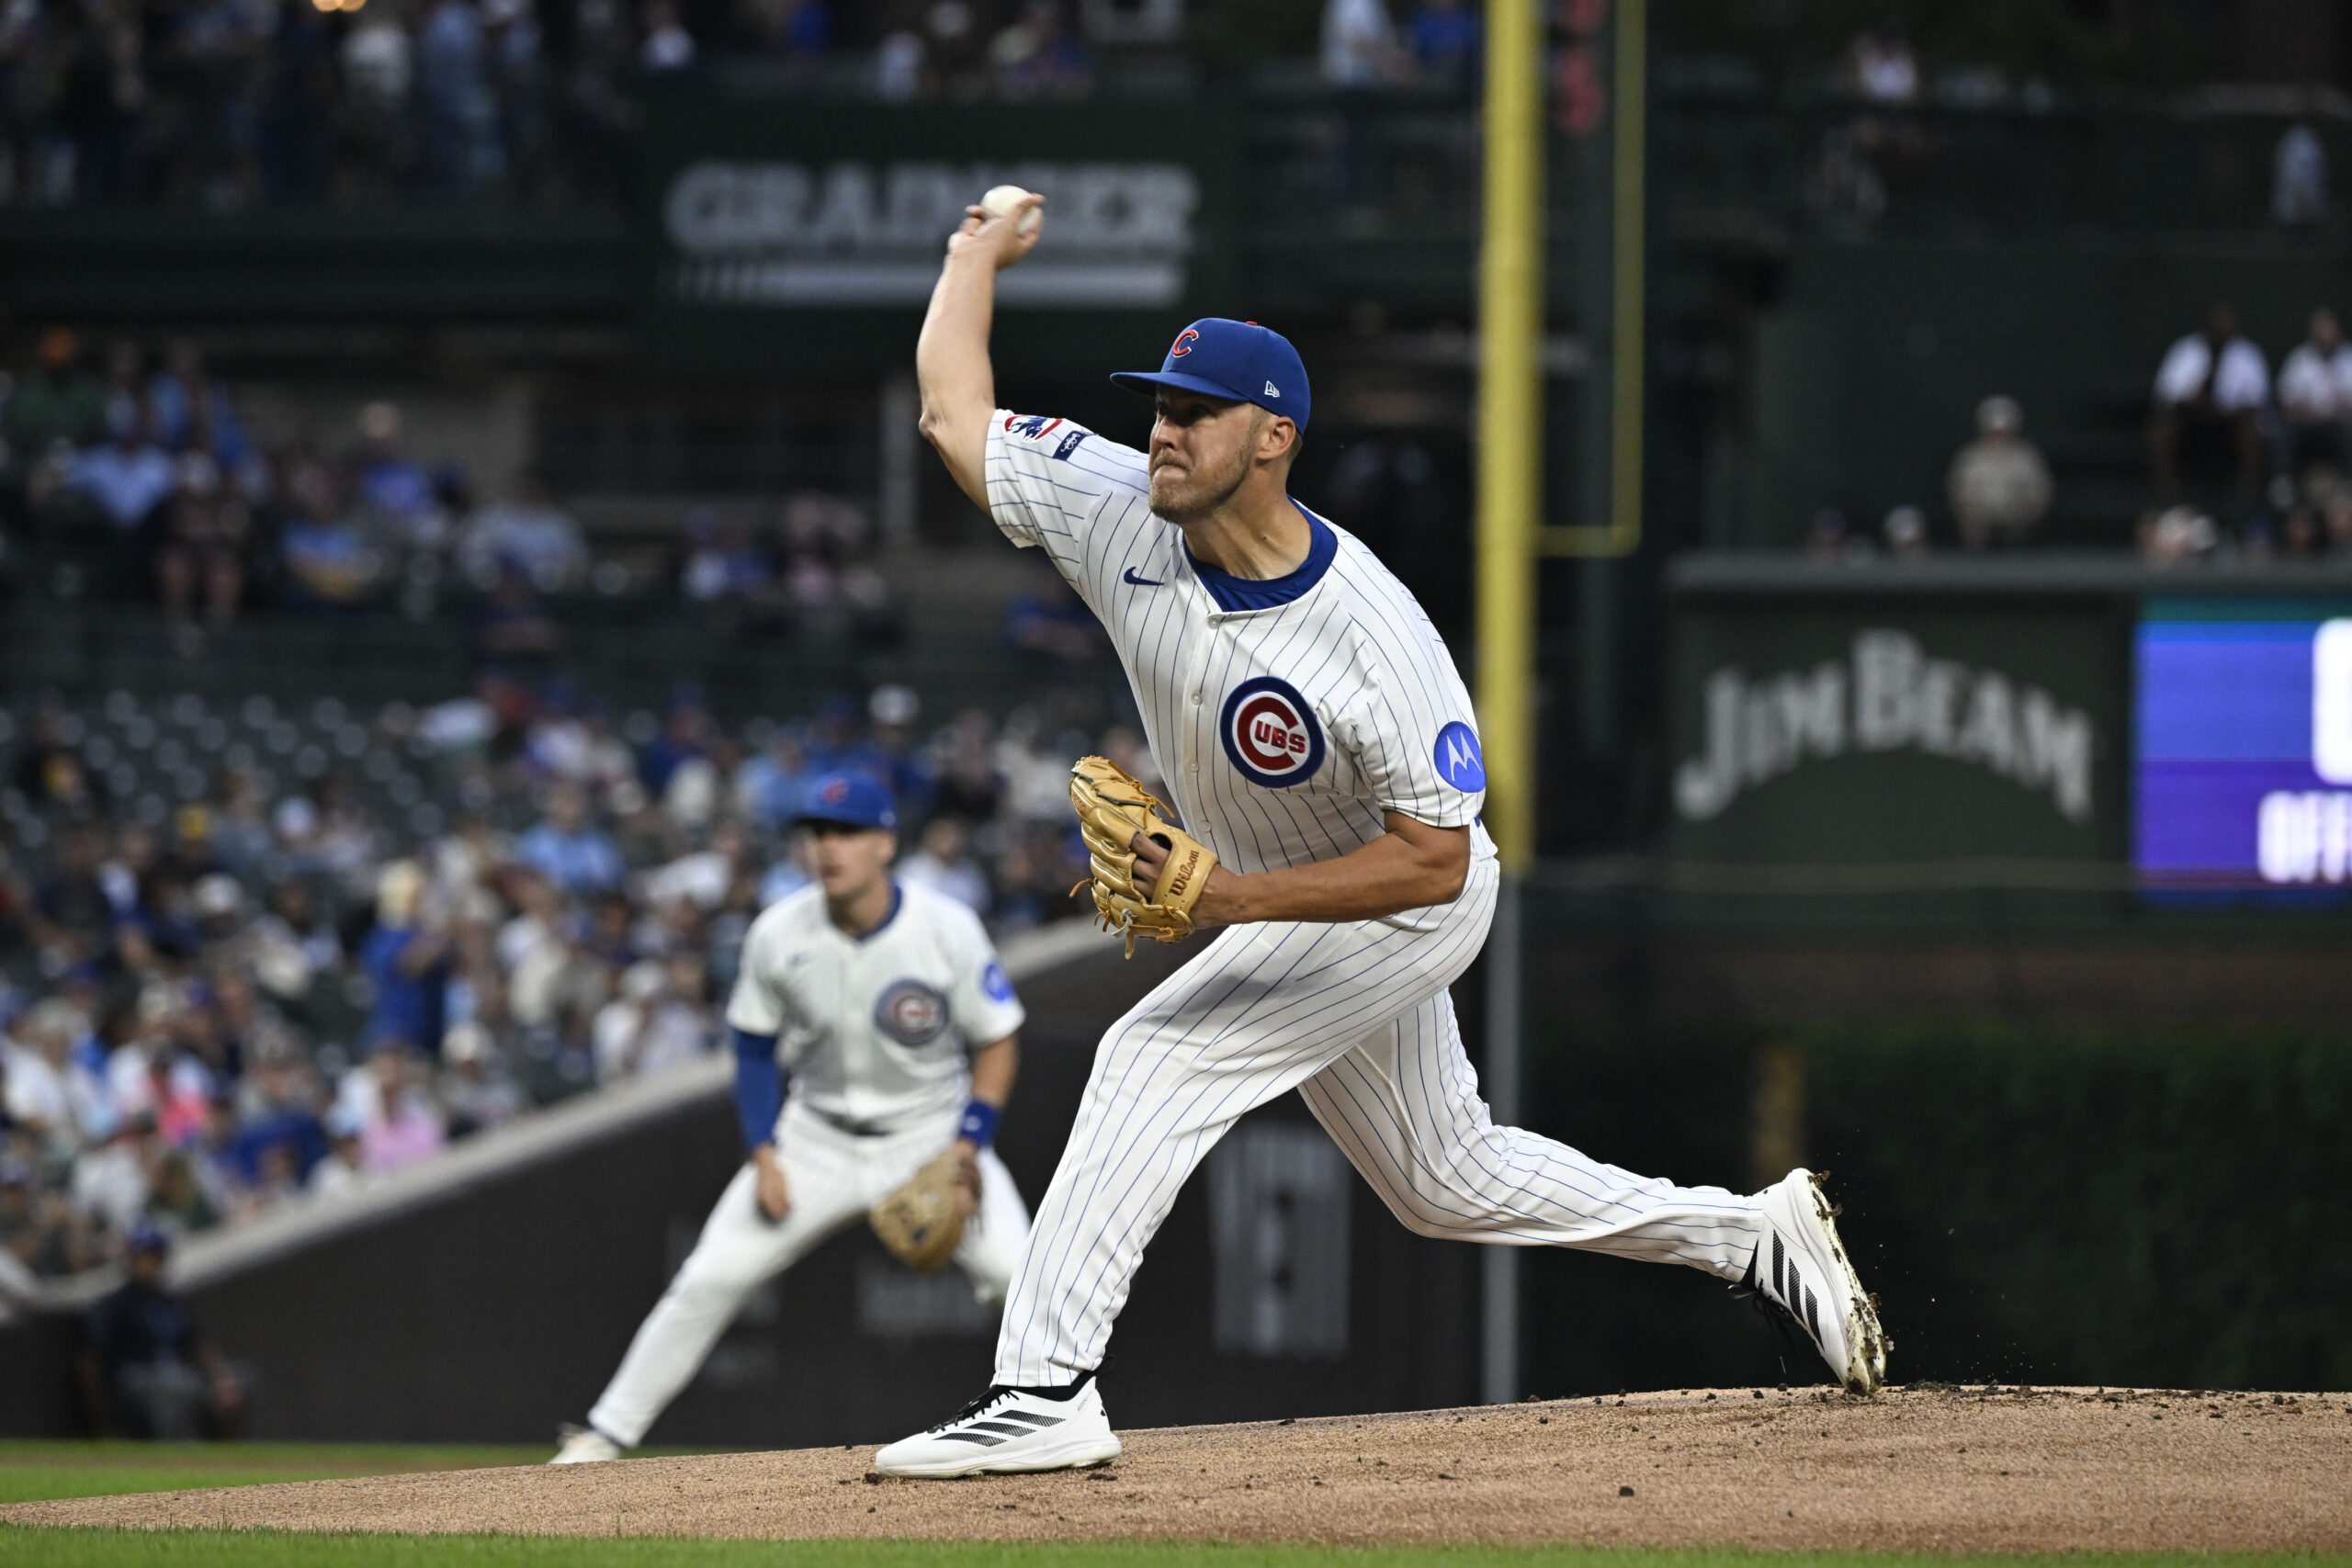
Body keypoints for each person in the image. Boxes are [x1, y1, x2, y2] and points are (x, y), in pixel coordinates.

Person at [874, 195, 1888, 1477]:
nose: (1163, 430)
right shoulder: (1116, 503)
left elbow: (1443, 859)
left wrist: (1233, 897)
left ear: (1275, 437)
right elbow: (952, 410)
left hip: (1404, 898)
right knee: (1441, 1176)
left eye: (1196, 411)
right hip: (1282, 894)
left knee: (1155, 1050)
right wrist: (973, 253)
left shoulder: (1373, 635)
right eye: (1160, 405)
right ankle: (1751, 1236)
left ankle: (1044, 1387)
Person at [548, 773, 1032, 1462]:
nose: (828, 847)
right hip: (816, 1138)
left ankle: (1060, 1417)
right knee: (711, 1275)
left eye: (847, 832)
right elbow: (751, 1048)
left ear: (886, 842)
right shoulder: (779, 932)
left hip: (932, 1136)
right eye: (817, 833)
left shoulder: (946, 928)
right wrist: (764, 1151)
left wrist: (969, 1145)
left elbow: (998, 1037)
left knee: (1020, 1275)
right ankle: (602, 1435)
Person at [78, 1224, 245, 1438]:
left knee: (235, 1384)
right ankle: (173, 1458)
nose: (150, 1264)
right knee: (174, 1390)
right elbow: (89, 1358)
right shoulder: (116, 1304)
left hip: (174, 1375)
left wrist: (220, 1375)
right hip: (134, 1378)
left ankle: (222, 1460)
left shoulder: (170, 1303)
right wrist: (99, 1420)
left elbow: (195, 1343)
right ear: (131, 1260)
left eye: (155, 1257)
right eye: (143, 1257)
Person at [2149, 299, 2269, 507]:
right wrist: (2196, 403)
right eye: (2217, 321)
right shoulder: (2185, 350)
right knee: (2160, 430)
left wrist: (2224, 408)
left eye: (2226, 321)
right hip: (2191, 424)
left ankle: (2246, 496)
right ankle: (2170, 495)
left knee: (2252, 431)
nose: (2222, 327)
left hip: (2230, 425)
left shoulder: (2247, 354)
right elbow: (2165, 395)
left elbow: (2257, 400)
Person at [1945, 395, 2053, 549]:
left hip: (2018, 524)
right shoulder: (1969, 458)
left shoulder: (2027, 458)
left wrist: (2024, 514)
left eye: (2004, 432)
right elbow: (1958, 496)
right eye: (1994, 432)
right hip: (1979, 526)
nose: (1999, 438)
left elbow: (2039, 496)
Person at [2277, 306, 2352, 492]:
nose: (2325, 333)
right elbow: (2285, 403)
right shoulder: (2299, 359)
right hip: (2306, 427)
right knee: (2282, 433)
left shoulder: (2349, 359)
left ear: (2338, 330)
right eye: (2320, 327)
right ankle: (2284, 486)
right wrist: (2307, 414)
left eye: (2329, 327)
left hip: (2340, 427)